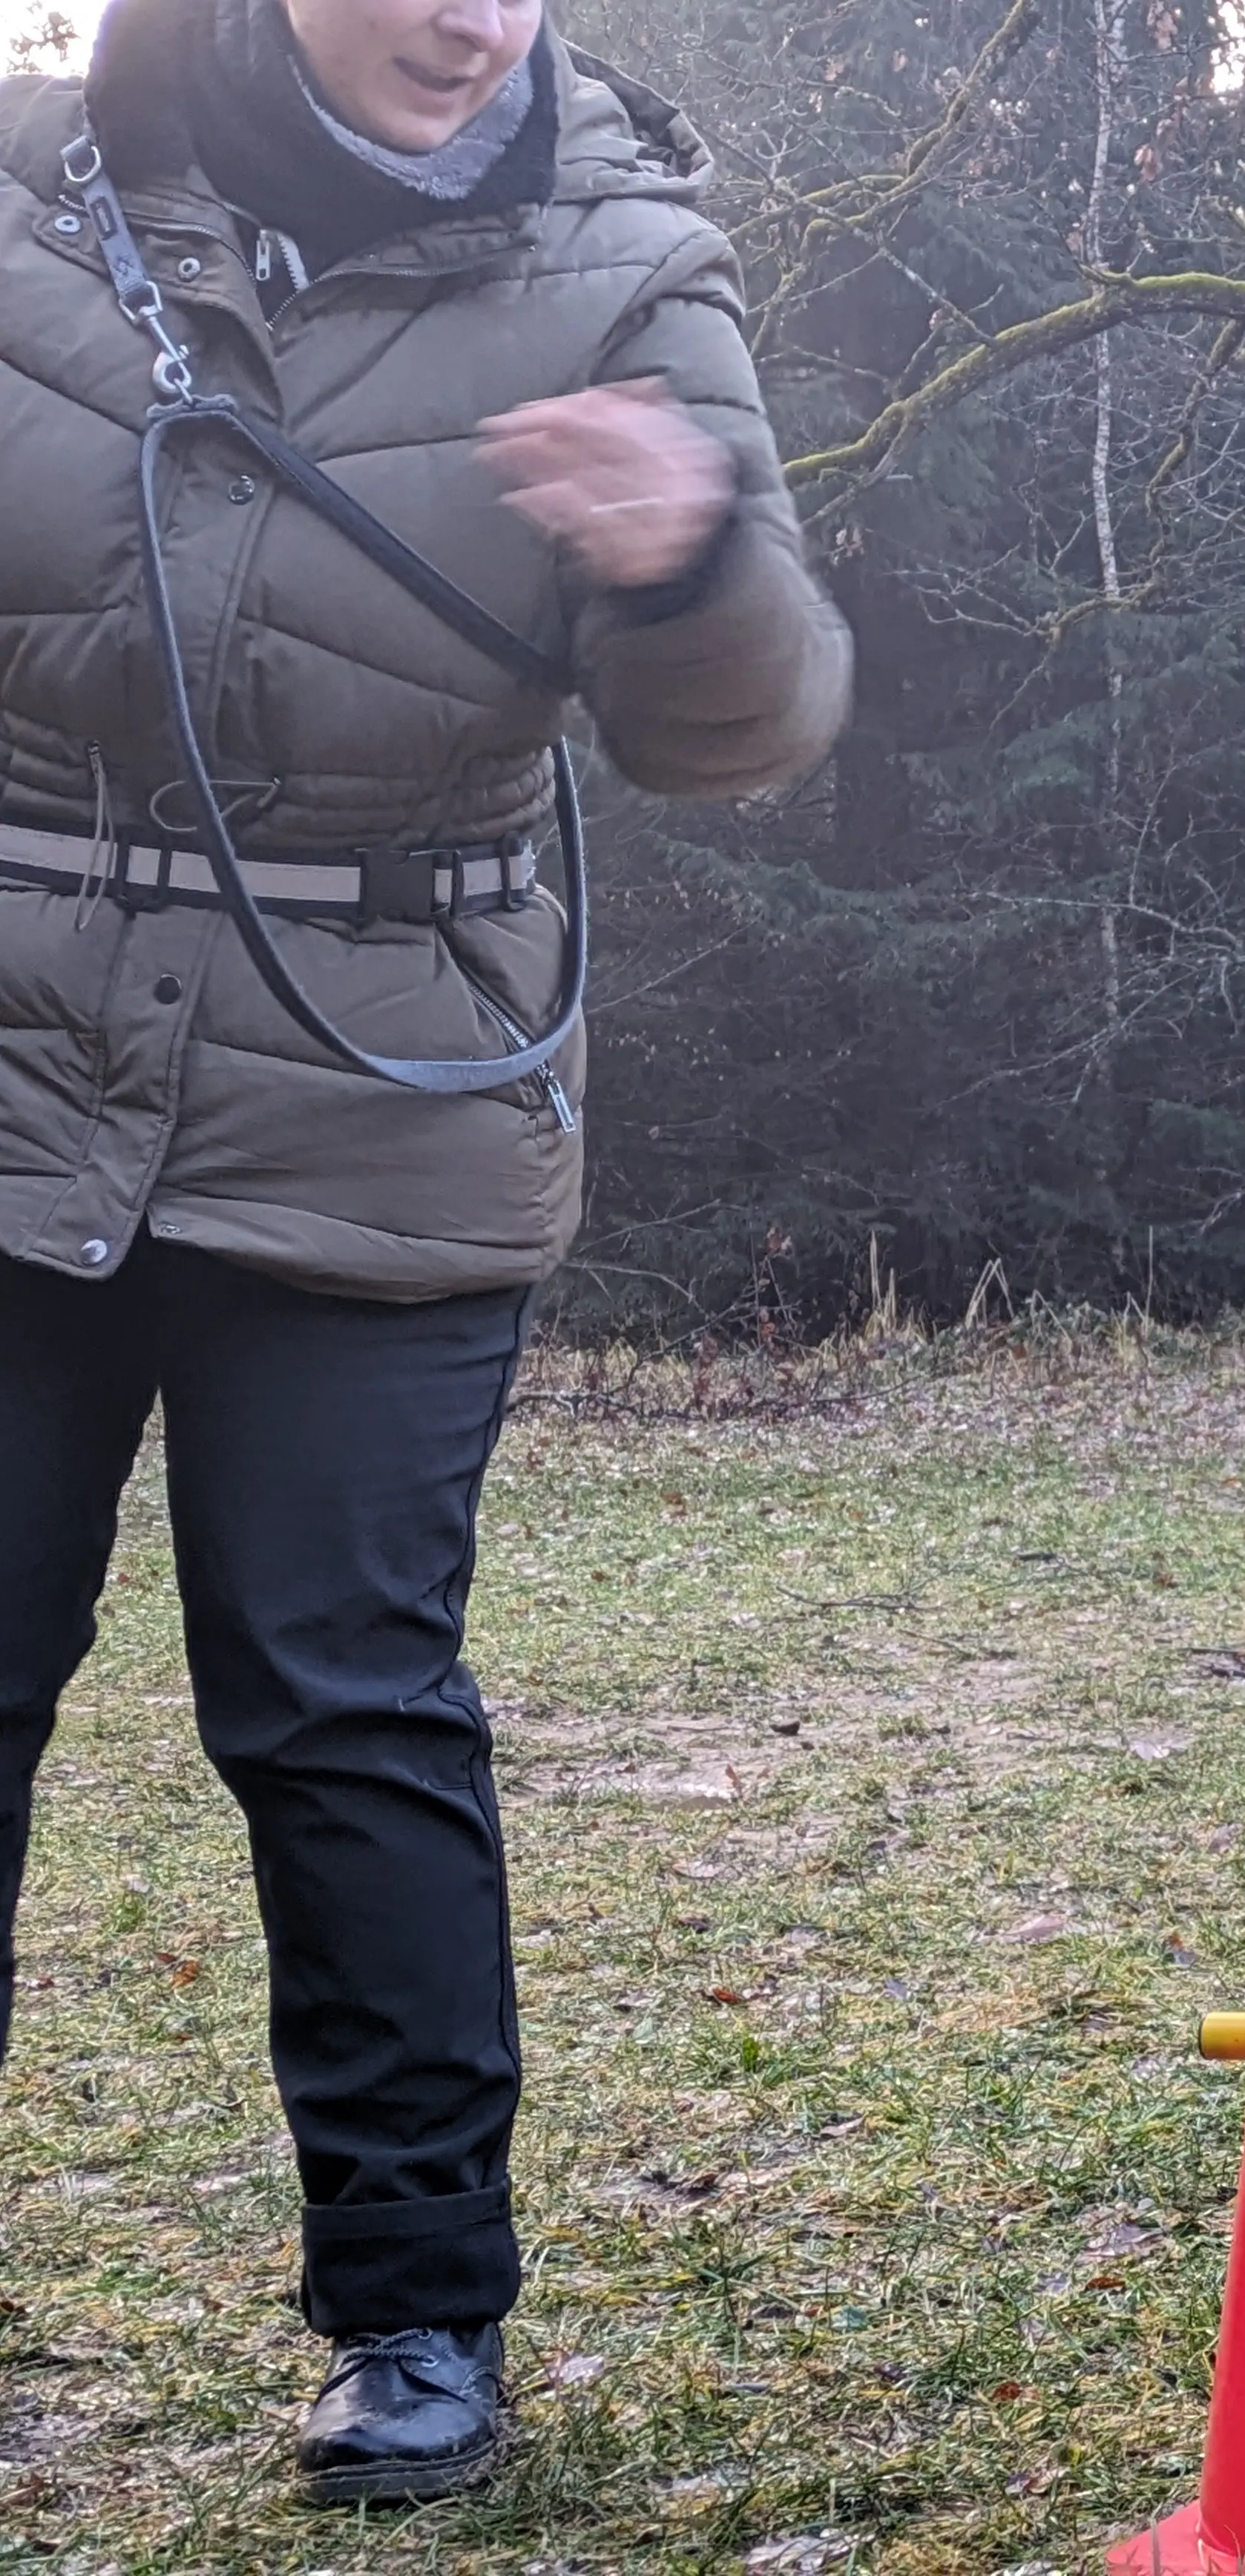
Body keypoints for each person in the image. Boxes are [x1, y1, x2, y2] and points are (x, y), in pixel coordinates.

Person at [0, 0, 849, 2507]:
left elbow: (757, 715)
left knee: (343, 1715)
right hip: (10, 1061)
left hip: (379, 1114)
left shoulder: (629, 264)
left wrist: (681, 553)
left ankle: (414, 2318)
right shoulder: (35, 195)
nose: (471, 12)